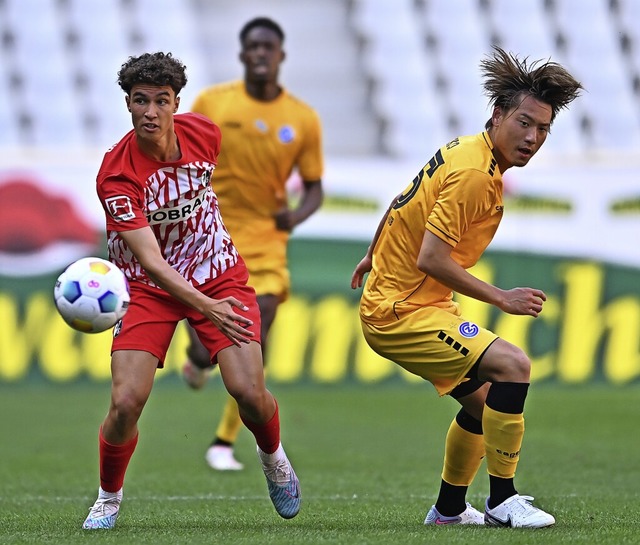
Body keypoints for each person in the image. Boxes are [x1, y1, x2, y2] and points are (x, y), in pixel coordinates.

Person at [350, 47, 581, 528]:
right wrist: (502, 298)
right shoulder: (476, 175)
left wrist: (374, 253)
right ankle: (503, 501)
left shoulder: (467, 149)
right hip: (401, 313)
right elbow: (430, 259)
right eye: (524, 123)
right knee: (513, 366)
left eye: (542, 129)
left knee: (484, 406)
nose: (532, 138)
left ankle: (449, 511)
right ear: (497, 115)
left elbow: (400, 201)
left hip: (416, 303)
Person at [82, 51, 301, 530]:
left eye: (162, 101)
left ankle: (273, 458)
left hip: (215, 269)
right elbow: (151, 262)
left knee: (249, 391)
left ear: (176, 102)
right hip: (145, 288)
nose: (151, 112)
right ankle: (108, 497)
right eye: (141, 101)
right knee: (125, 403)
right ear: (128, 105)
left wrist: (214, 295)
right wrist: (208, 310)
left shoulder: (206, 134)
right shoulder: (117, 174)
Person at [181, 17, 323, 471]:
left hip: (265, 246)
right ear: (243, 55)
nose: (261, 54)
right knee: (208, 349)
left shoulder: (302, 118)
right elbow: (182, 160)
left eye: (269, 47)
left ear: (281, 55)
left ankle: (223, 441)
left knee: (251, 337)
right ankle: (196, 360)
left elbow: (315, 187)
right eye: (253, 47)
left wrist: (295, 215)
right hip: (210, 241)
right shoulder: (213, 103)